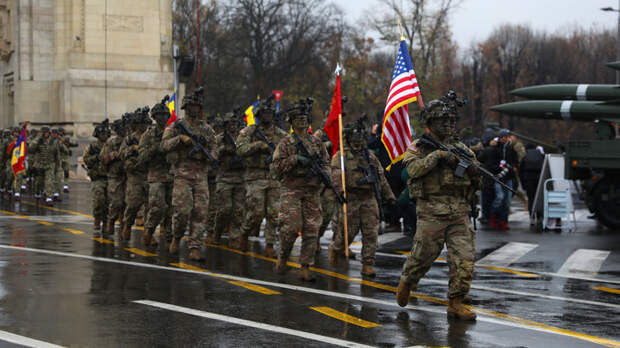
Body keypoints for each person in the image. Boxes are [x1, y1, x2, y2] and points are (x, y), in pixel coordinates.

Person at [396, 93, 480, 321]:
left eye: (452, 121)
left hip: (458, 212)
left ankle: (456, 302)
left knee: (464, 260)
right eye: (444, 121)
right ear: (430, 123)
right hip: (431, 213)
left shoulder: (463, 148)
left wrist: (471, 168)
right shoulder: (419, 147)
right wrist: (438, 157)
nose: (449, 125)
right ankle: (407, 281)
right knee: (422, 257)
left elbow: (478, 180)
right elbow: (411, 171)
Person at [328, 118, 396, 277]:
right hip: (351, 198)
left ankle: (367, 263)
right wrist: (340, 192)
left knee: (371, 233)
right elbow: (336, 175)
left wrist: (389, 196)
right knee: (348, 232)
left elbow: (381, 177)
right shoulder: (341, 156)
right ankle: (336, 248)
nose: (358, 140)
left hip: (369, 198)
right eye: (355, 136)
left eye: (360, 136)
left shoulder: (370, 157)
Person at [272, 98, 331, 281]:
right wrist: (295, 160)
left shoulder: (316, 142)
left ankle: (306, 265)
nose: (302, 121)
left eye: (304, 118)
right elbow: (276, 167)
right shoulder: (286, 143)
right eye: (297, 118)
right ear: (291, 121)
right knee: (290, 228)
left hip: (311, 191)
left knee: (312, 229)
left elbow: (326, 162)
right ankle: (283, 255)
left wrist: (326, 175)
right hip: (292, 189)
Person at [161, 87, 217, 261]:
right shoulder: (176, 127)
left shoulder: (206, 129)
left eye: (197, 106)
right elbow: (163, 146)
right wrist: (180, 139)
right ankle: (177, 237)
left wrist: (209, 157)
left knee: (200, 213)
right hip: (182, 175)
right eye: (192, 106)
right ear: (186, 107)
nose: (195, 109)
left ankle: (195, 247)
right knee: (182, 211)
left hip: (201, 176)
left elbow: (215, 149)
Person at [236, 97, 288, 256]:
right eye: (264, 113)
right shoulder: (250, 131)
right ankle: (244, 232)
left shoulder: (281, 134)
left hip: (274, 177)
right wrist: (258, 146)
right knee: (256, 212)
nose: (267, 116)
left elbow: (290, 149)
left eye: (270, 113)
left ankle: (270, 244)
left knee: (274, 213)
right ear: (259, 114)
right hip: (255, 176)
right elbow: (240, 149)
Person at [139, 97, 174, 246]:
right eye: (159, 115)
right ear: (154, 117)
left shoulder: (172, 132)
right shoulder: (148, 134)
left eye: (165, 115)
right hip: (155, 176)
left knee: (173, 209)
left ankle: (169, 235)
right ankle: (149, 230)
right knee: (157, 206)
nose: (162, 118)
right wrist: (155, 149)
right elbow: (142, 156)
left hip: (172, 174)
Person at [208, 112, 245, 245]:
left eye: (235, 123)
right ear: (225, 125)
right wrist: (223, 150)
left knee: (238, 210)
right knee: (225, 209)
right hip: (224, 178)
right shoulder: (219, 139)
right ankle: (217, 231)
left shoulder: (243, 138)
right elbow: (212, 155)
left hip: (240, 178)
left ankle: (234, 237)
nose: (233, 126)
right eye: (230, 124)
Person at [120, 108, 151, 241]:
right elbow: (121, 154)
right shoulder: (130, 138)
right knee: (133, 204)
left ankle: (148, 232)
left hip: (150, 174)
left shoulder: (152, 136)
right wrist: (131, 149)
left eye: (145, 123)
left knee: (151, 206)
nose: (143, 126)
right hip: (135, 175)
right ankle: (127, 224)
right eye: (140, 124)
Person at [102, 116, 129, 235]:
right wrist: (115, 155)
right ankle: (111, 220)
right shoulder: (111, 142)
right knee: (116, 202)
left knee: (127, 203)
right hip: (115, 176)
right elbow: (103, 158)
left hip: (128, 175)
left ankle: (124, 225)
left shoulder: (130, 141)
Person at [83, 120, 110, 230]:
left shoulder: (111, 145)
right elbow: (86, 159)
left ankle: (106, 220)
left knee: (109, 201)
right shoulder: (92, 147)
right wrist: (95, 157)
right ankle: (97, 218)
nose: (103, 136)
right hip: (97, 177)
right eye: (101, 134)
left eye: (105, 134)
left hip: (110, 177)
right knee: (99, 200)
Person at [489, 129, 519, 230]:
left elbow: (516, 161)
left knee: (507, 201)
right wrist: (499, 168)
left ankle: (503, 220)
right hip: (498, 177)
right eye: (503, 137)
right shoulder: (494, 149)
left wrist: (513, 166)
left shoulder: (511, 149)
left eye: (506, 137)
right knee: (500, 197)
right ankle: (493, 216)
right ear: (499, 138)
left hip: (509, 177)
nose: (505, 139)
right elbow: (490, 164)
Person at [30, 127, 60, 206]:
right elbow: (31, 149)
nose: (46, 134)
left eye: (47, 132)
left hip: (49, 164)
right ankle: (37, 194)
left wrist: (58, 166)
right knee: (38, 182)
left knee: (49, 181)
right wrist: (38, 139)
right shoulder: (37, 141)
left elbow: (57, 154)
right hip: (39, 165)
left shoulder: (53, 141)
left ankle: (49, 198)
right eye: (44, 132)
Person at [519, 143, 544, 214]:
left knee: (531, 199)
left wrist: (523, 185)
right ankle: (540, 216)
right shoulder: (542, 156)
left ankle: (532, 216)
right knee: (540, 199)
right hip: (539, 180)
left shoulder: (525, 158)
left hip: (528, 181)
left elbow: (521, 172)